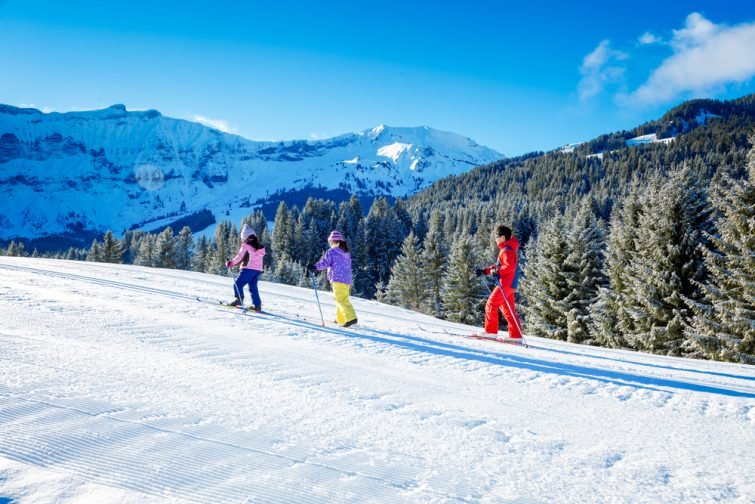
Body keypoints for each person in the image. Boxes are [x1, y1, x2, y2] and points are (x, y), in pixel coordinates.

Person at [475, 225, 522, 340]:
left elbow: (509, 267)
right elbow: (498, 266)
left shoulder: (506, 250)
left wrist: (497, 271)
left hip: (505, 283)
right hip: (510, 285)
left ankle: (490, 332)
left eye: (497, 236)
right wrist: (485, 271)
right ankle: (516, 335)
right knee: (507, 310)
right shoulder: (507, 249)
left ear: (503, 237)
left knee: (491, 304)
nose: (495, 238)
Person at [307, 230, 358, 327]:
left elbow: (325, 263)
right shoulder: (345, 252)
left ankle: (351, 318)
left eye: (330, 241)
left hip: (337, 279)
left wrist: (315, 267)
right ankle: (341, 319)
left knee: (340, 299)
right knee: (341, 298)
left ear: (333, 241)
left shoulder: (332, 252)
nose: (329, 243)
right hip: (347, 279)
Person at [226, 223, 266, 312]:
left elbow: (240, 257)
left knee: (237, 284)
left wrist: (231, 263)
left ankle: (239, 300)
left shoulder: (246, 245)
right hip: (257, 270)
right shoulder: (259, 247)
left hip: (248, 269)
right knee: (253, 287)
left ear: (244, 237)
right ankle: (257, 306)